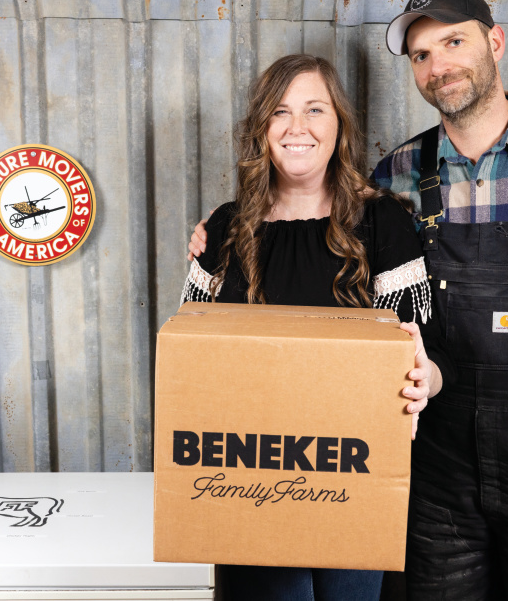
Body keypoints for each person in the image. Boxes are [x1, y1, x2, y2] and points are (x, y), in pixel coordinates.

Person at [190, 0, 508, 600]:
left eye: (453, 42)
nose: (438, 65)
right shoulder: (396, 175)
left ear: (494, 41)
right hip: (439, 471)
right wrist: (217, 234)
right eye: (421, 54)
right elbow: (325, 249)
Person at [180, 53, 444, 601]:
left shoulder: (384, 223)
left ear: (338, 125)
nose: (297, 128)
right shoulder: (226, 228)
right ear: (262, 129)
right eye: (280, 112)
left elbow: (424, 359)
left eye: (314, 109)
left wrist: (426, 383)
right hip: (247, 484)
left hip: (354, 483)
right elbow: (191, 366)